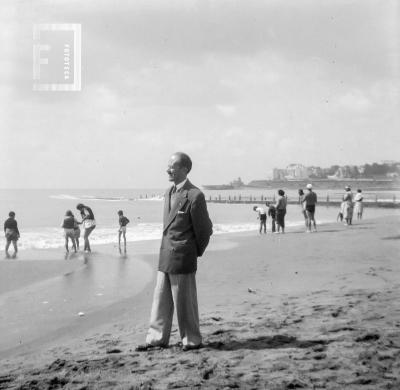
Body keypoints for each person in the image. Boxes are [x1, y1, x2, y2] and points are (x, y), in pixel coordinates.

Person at [136, 152, 213, 352]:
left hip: (182, 256)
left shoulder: (195, 195)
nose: (168, 169)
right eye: (168, 166)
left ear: (185, 169)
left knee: (184, 302)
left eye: (173, 166)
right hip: (165, 254)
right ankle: (156, 339)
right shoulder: (169, 192)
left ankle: (191, 340)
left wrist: (192, 251)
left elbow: (205, 229)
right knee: (160, 299)